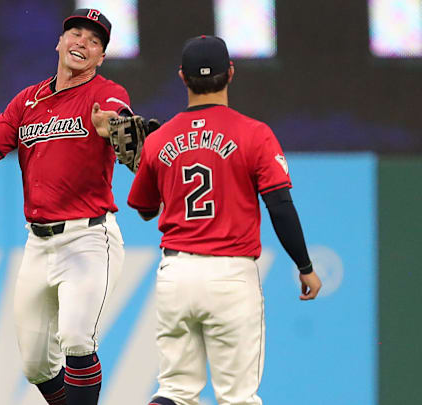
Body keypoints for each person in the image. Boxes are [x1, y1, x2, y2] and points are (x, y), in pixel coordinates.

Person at [0, 8, 134, 405]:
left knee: (78, 340)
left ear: (101, 58)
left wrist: (114, 127)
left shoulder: (105, 93)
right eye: (76, 34)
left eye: (94, 41)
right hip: (39, 243)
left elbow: (115, 119)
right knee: (35, 366)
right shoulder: (28, 100)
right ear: (60, 43)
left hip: (88, 238)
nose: (83, 42)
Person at [127, 35, 323, 405]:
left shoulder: (159, 139)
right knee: (237, 397)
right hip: (231, 275)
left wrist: (146, 161)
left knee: (176, 391)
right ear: (230, 73)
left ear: (182, 77)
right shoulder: (254, 134)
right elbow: (279, 205)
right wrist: (305, 265)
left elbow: (145, 208)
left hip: (177, 275)